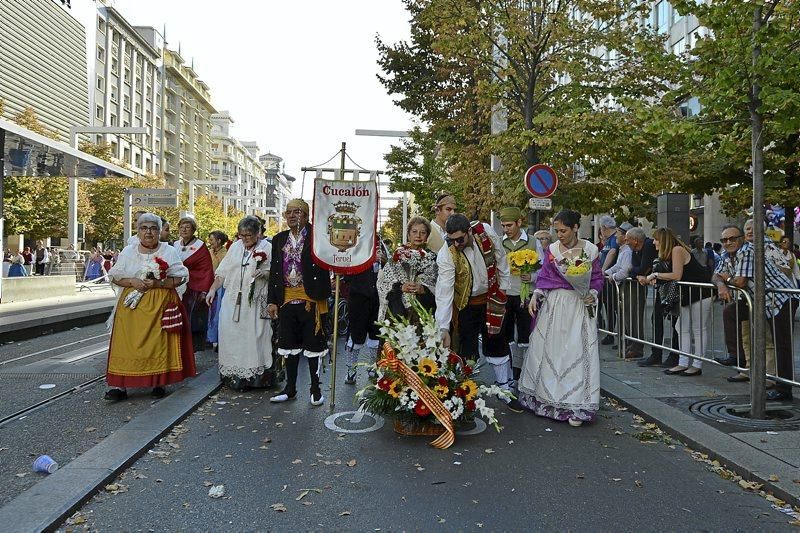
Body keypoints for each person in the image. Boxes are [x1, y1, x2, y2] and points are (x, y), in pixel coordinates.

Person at [519, 209, 604, 426]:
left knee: (576, 350)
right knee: (553, 350)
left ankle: (578, 404)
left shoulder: (591, 250)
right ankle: (549, 400)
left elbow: (596, 278)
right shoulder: (552, 249)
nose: (560, 235)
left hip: (578, 305)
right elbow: (545, 276)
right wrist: (536, 295)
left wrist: (591, 294)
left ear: (576, 228)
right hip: (555, 305)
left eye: (563, 230)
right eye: (556, 231)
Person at [104, 213, 195, 401]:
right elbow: (115, 276)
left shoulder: (168, 251)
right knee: (127, 345)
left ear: (159, 232)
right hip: (132, 307)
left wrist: (159, 284)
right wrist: (132, 281)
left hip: (159, 305)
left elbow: (180, 277)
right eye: (144, 228)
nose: (149, 232)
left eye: (153, 228)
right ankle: (120, 386)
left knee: (157, 344)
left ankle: (158, 382)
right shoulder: (129, 251)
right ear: (138, 232)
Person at [434, 214, 517, 407]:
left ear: (469, 231)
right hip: (467, 305)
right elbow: (444, 292)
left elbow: (501, 258)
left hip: (491, 298)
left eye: (460, 239)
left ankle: (504, 387)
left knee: (497, 340)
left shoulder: (485, 231)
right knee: (467, 348)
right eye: (452, 239)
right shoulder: (446, 254)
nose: (456, 243)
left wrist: (503, 288)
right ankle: (466, 392)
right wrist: (443, 327)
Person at [266, 199, 332, 406]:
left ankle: (315, 389)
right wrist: (272, 300)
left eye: (297, 212)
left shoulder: (318, 237)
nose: (292, 216)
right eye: (288, 212)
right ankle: (290, 388)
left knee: (313, 347)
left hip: (310, 298)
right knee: (289, 346)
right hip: (285, 298)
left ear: (306, 215)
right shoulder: (279, 239)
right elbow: (274, 273)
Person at [728, 221, 798, 401]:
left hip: (780, 300)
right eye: (725, 240)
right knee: (732, 314)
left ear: (740, 239)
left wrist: (726, 278)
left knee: (782, 344)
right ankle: (742, 361)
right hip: (771, 302)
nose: (728, 243)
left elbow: (741, 281)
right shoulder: (746, 250)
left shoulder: (751, 249)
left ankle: (784, 388)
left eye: (732, 239)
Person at [206, 218, 273, 390]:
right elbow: (222, 271)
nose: (245, 239)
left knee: (253, 336)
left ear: (258, 233)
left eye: (248, 235)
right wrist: (213, 289)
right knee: (231, 335)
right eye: (241, 235)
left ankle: (254, 377)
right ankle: (233, 375)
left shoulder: (268, 247)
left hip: (255, 301)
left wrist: (264, 273)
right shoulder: (235, 247)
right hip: (232, 298)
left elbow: (275, 272)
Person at [647, 228, 712, 377]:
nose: (654, 242)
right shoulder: (674, 251)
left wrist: (655, 274)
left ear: (663, 240)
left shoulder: (677, 250)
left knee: (697, 328)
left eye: (656, 239)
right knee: (681, 327)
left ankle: (696, 364)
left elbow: (676, 275)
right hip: (688, 293)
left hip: (700, 293)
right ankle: (683, 363)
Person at [377, 216, 438, 323]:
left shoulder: (432, 258)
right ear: (409, 234)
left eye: (422, 232)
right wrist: (400, 287)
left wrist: (423, 289)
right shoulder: (397, 256)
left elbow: (437, 288)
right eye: (414, 232)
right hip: (398, 312)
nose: (418, 235)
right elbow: (383, 283)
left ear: (427, 236)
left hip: (423, 312)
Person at [499, 207, 536, 382]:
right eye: (503, 226)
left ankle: (525, 372)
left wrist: (532, 276)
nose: (506, 229)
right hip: (505, 294)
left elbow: (544, 270)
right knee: (505, 334)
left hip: (525, 295)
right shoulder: (499, 243)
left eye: (509, 225)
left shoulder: (532, 242)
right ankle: (510, 371)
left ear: (519, 223)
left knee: (525, 334)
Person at [173, 217, 214, 353]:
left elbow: (206, 269)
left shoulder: (200, 246)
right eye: (181, 227)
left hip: (194, 287)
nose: (184, 230)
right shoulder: (175, 245)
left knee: (192, 320)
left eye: (187, 227)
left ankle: (191, 349)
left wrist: (204, 290)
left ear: (193, 230)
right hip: (177, 287)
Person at [342, 243, 382, 385]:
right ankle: (351, 370)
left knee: (376, 334)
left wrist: (382, 260)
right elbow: (346, 273)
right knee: (355, 334)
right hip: (358, 298)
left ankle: (373, 367)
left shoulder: (380, 245)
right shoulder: (355, 246)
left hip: (377, 298)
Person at [623, 228, 657, 360]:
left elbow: (641, 268)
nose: (626, 243)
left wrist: (637, 273)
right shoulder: (635, 250)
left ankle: (643, 348)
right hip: (642, 281)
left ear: (635, 240)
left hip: (662, 283)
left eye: (628, 240)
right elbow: (632, 269)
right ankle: (635, 345)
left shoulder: (648, 246)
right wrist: (637, 274)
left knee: (650, 317)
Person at [206, 230, 229, 347]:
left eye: (212, 240)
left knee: (217, 312)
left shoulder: (225, 253)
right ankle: (209, 337)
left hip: (220, 285)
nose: (210, 242)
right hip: (209, 284)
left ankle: (217, 338)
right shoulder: (209, 251)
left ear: (219, 241)